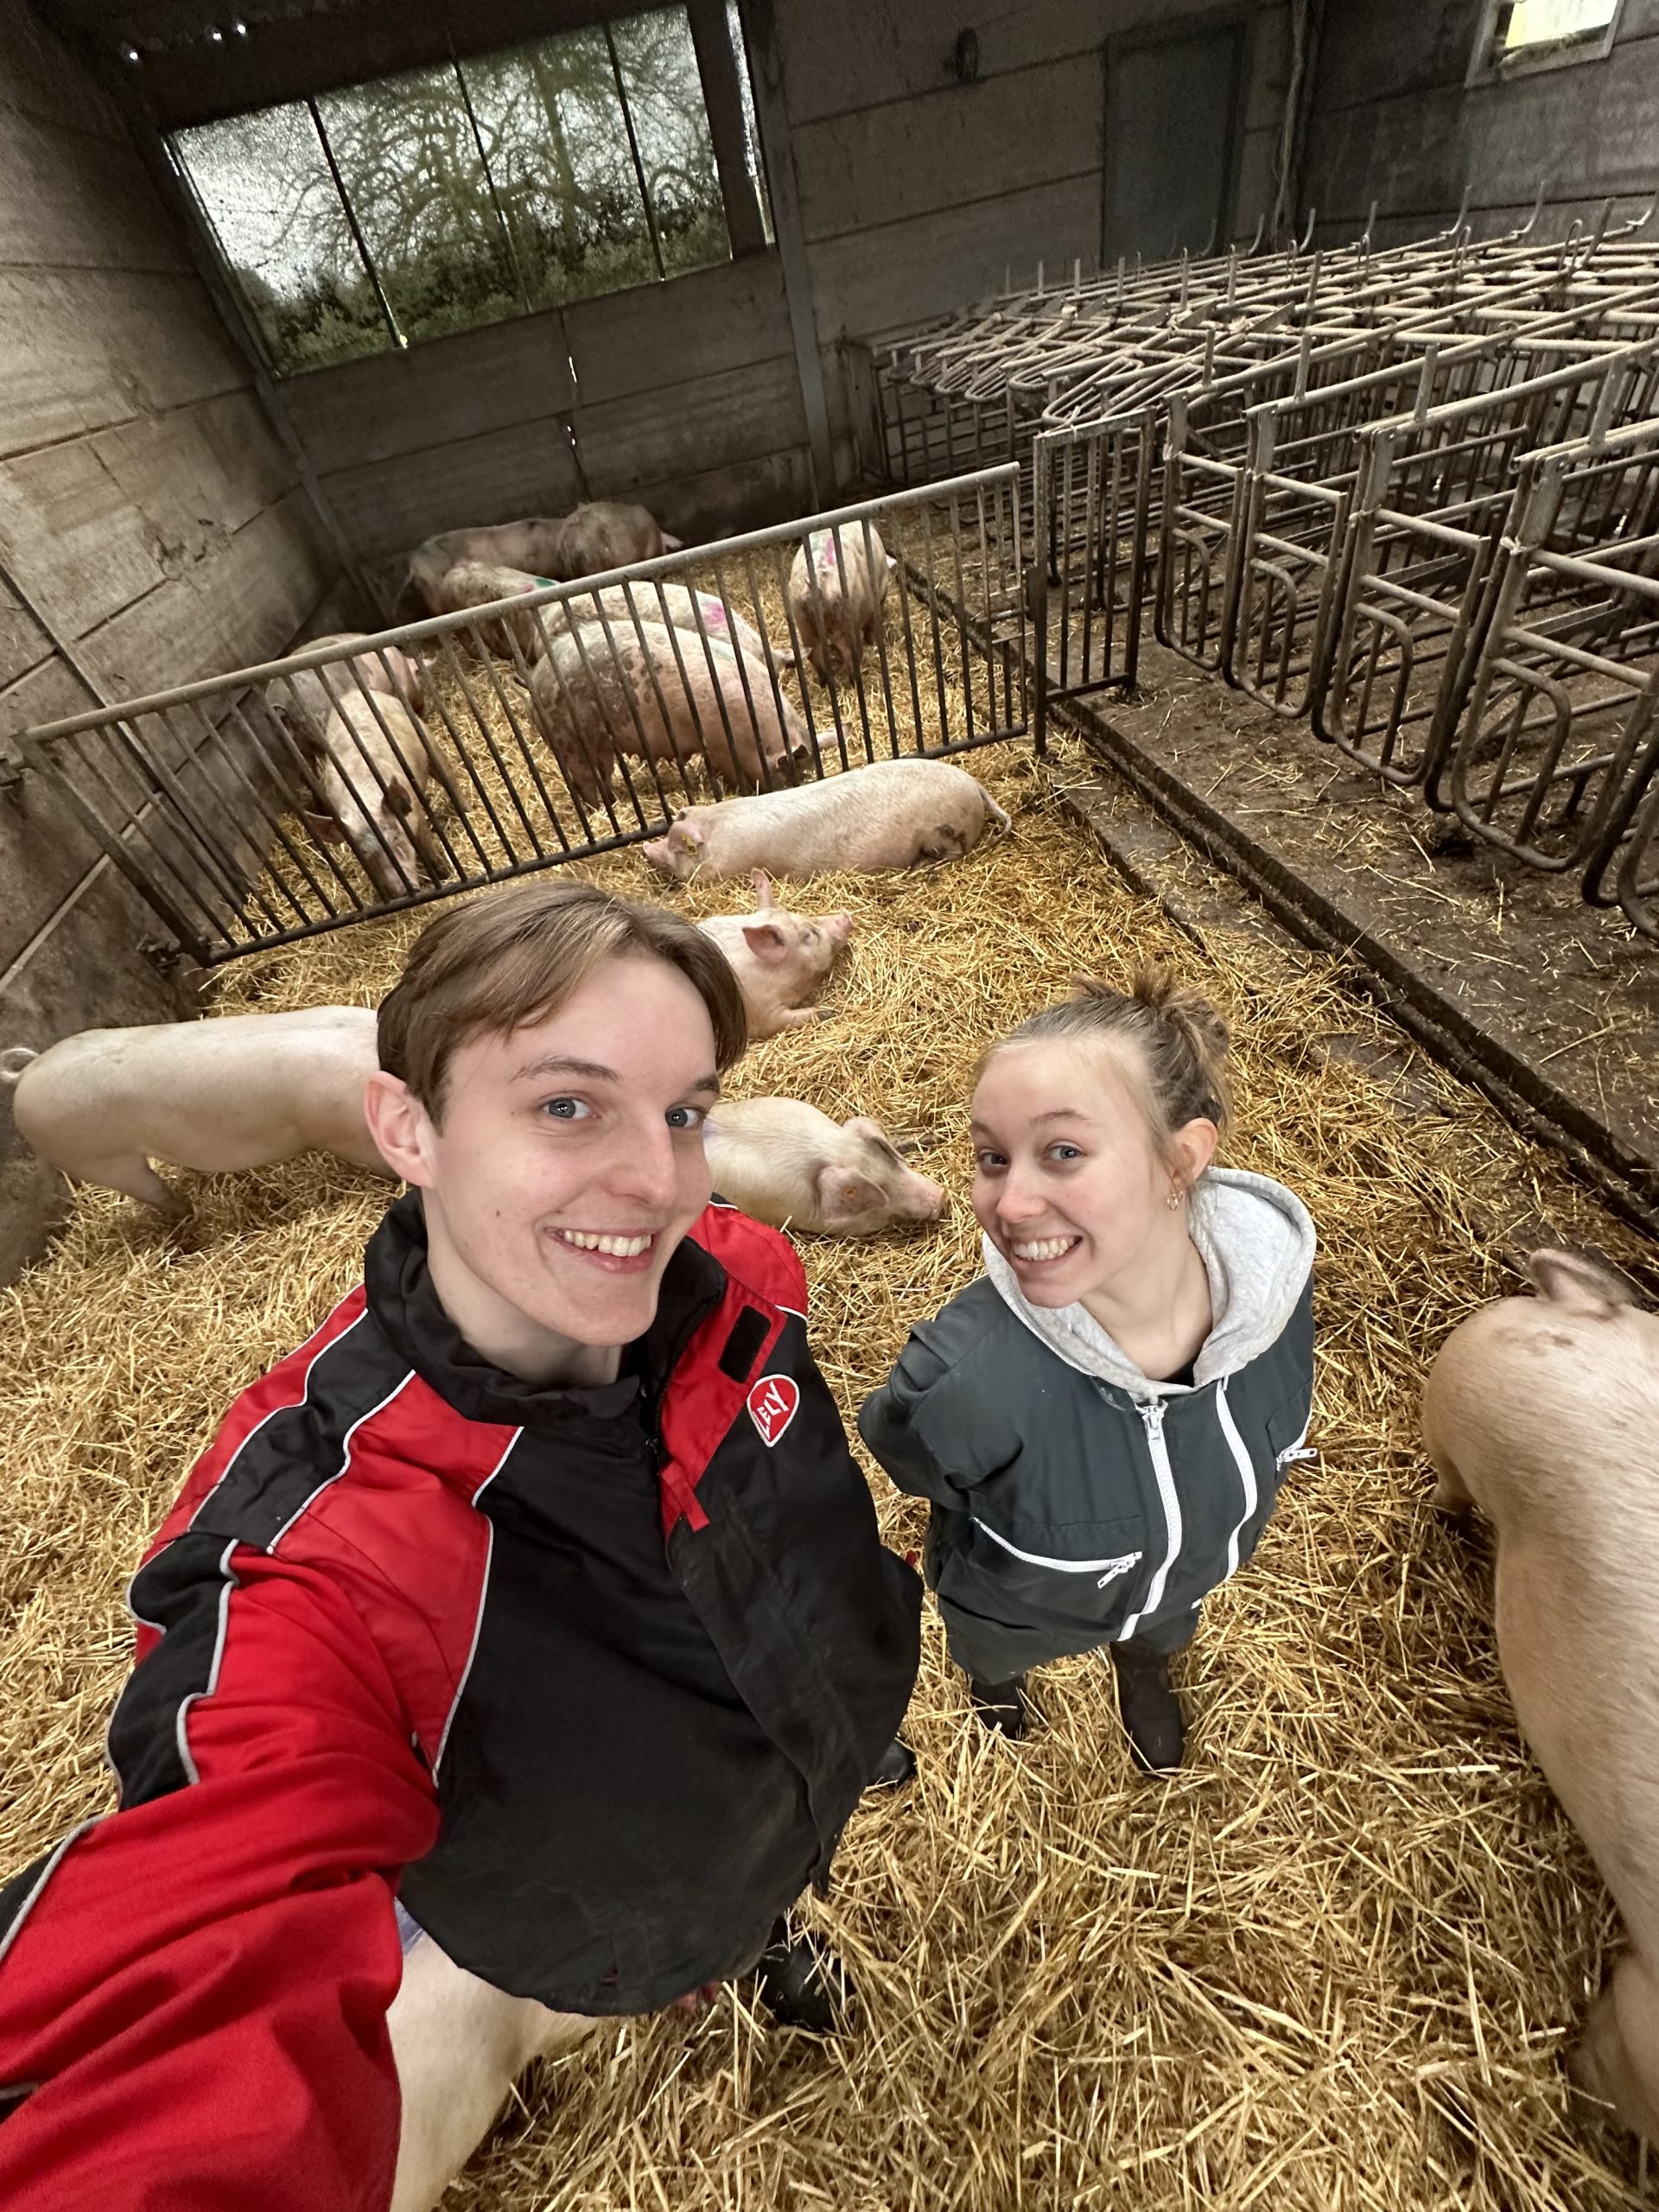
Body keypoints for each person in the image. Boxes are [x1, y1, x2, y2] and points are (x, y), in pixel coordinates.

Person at [0, 881, 921, 2212]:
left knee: (774, 1877)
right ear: (405, 1129)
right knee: (697, 1931)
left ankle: (777, 1920)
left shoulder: (746, 1280)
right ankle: (739, 1945)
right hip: (619, 1911)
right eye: (565, 1106)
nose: (654, 1179)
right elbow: (218, 1912)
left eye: (683, 1112)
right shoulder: (316, 1548)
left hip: (806, 1755)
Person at [858, 967, 1314, 1771]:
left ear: (1181, 1161)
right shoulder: (964, 1376)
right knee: (995, 1645)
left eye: (1063, 1152)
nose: (1010, 1203)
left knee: (1167, 1617)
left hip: (1187, 1572)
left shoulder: (1275, 1300)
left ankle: (1144, 1659)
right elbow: (905, 1452)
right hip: (1021, 1603)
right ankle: (996, 1682)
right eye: (993, 1158)